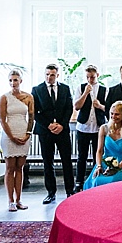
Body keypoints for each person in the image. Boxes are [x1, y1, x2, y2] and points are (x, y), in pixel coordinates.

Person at [32, 63, 74, 205]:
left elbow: (69, 108)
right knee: (47, 162)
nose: (49, 77)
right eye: (47, 74)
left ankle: (70, 190)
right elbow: (35, 112)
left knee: (66, 161)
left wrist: (61, 125)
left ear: (57, 75)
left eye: (52, 75)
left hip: (62, 130)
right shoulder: (37, 90)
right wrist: (49, 125)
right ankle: (51, 192)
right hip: (45, 131)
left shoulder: (65, 89)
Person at [0, 70, 35, 212]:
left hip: (23, 132)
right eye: (10, 80)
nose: (13, 83)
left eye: (15, 80)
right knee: (10, 167)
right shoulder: (4, 98)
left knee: (20, 167)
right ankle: (10, 201)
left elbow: (31, 117)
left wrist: (28, 134)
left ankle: (19, 199)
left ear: (21, 81)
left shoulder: (28, 97)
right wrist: (11, 136)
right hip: (9, 134)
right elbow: (2, 119)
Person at [73, 64, 108, 192]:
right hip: (83, 127)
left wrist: (99, 106)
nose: (90, 80)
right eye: (87, 77)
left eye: (92, 77)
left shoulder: (105, 90)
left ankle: (95, 181)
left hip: (98, 128)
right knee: (81, 156)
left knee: (97, 155)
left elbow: (108, 109)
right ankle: (79, 182)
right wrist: (85, 93)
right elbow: (77, 106)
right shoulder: (81, 88)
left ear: (97, 75)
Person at [85, 102, 122, 188]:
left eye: (117, 114)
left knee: (112, 181)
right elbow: (99, 151)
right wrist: (99, 166)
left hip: (121, 164)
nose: (113, 117)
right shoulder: (104, 128)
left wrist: (117, 167)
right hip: (104, 163)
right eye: (111, 114)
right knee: (97, 180)